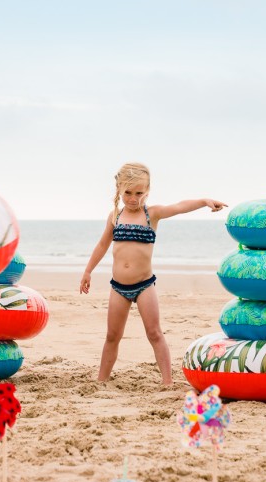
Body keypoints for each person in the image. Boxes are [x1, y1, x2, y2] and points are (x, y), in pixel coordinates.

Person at [79, 163, 226, 386]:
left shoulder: (152, 214)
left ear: (147, 190)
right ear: (119, 189)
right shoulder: (115, 216)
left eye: (139, 193)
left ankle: (167, 381)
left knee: (155, 333)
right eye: (128, 193)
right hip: (118, 287)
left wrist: (204, 201)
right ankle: (102, 380)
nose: (133, 198)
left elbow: (179, 206)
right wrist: (88, 271)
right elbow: (102, 245)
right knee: (112, 336)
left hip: (145, 285)